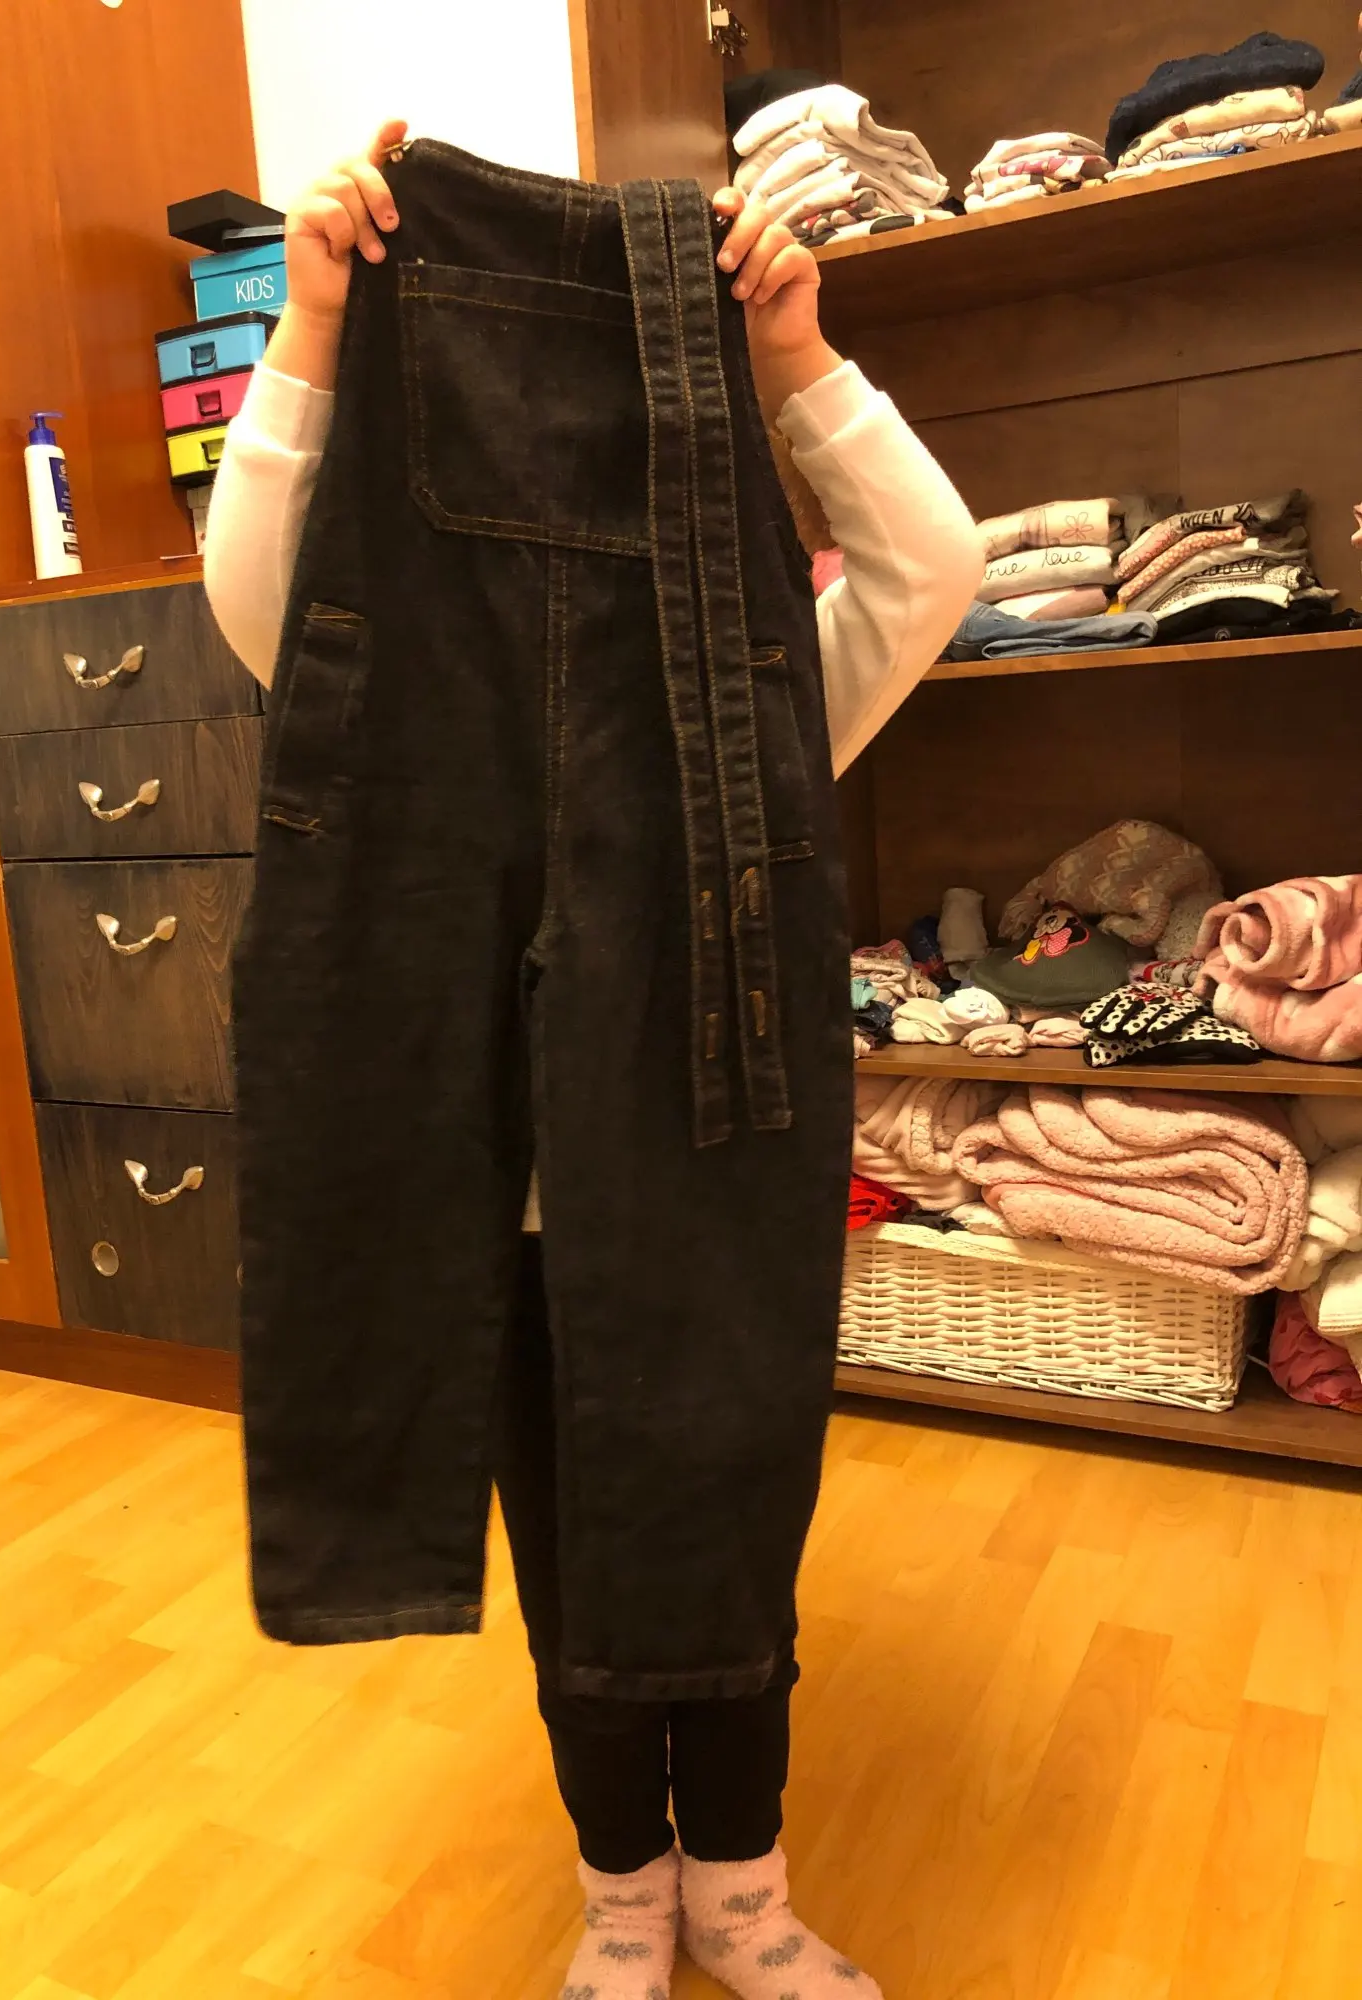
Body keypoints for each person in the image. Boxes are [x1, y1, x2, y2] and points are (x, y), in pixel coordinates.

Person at [207, 120, 980, 2000]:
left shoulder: (759, 700)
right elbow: (260, 597)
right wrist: (309, 333)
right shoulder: (405, 687)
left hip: (705, 1169)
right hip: (517, 1213)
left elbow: (931, 565)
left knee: (723, 1530)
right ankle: (625, 1890)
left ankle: (744, 1891)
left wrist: (793, 360)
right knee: (570, 1565)